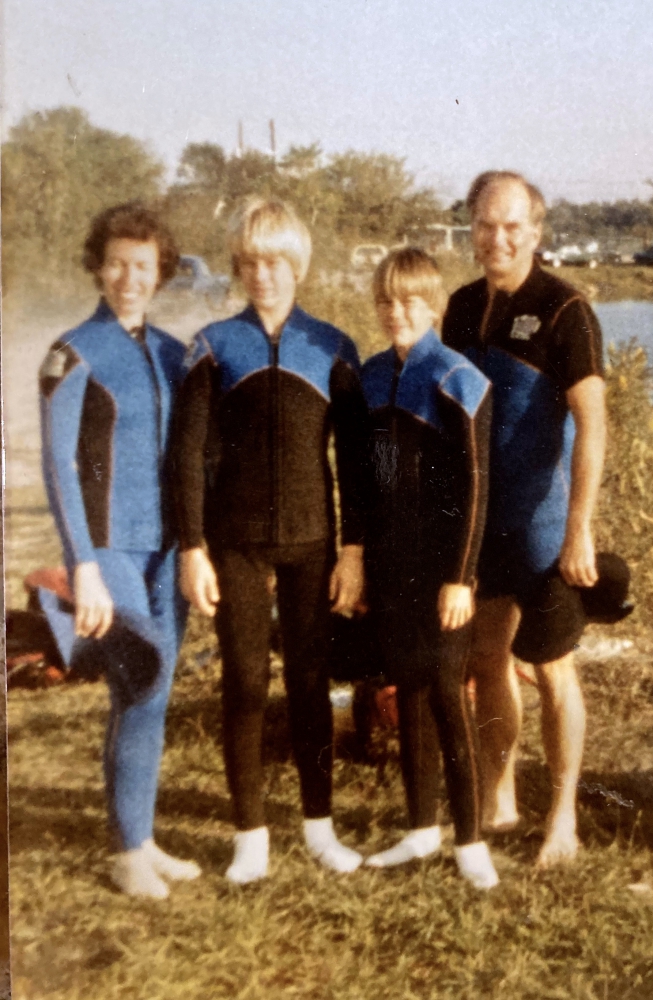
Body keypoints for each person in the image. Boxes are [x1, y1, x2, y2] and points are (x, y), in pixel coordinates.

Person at [172, 197, 369, 883]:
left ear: (298, 266)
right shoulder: (215, 345)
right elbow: (188, 453)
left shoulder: (333, 346)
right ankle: (249, 835)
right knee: (247, 683)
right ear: (238, 267)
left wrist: (354, 549)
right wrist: (191, 546)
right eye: (250, 263)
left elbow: (358, 461)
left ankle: (320, 827)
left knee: (312, 684)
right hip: (236, 543)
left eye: (276, 262)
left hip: (314, 542)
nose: (263, 275)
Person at [442, 171, 606, 867]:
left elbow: (593, 425)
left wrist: (579, 528)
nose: (497, 238)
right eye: (485, 224)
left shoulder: (566, 310)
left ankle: (562, 816)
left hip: (541, 528)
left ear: (536, 233)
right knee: (487, 660)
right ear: (470, 228)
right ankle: (500, 791)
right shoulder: (458, 307)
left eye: (512, 226)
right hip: (483, 526)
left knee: (554, 667)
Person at [39, 203, 199, 898]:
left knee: (156, 692)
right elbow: (58, 466)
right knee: (139, 677)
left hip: (169, 551)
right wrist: (84, 567)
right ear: (97, 267)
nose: (129, 278)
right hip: (109, 553)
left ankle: (142, 837)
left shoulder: (174, 352)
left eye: (143, 266)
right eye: (117, 264)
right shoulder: (71, 353)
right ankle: (126, 847)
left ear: (160, 272)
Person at [361, 248, 498, 889]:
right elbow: (380, 476)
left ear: (436, 306)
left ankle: (470, 839)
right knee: (408, 688)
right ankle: (420, 829)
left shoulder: (459, 378)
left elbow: (476, 487)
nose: (399, 313)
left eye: (412, 301)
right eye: (388, 301)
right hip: (394, 565)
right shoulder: (371, 377)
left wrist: (461, 577)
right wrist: (366, 557)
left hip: (445, 568)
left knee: (447, 691)